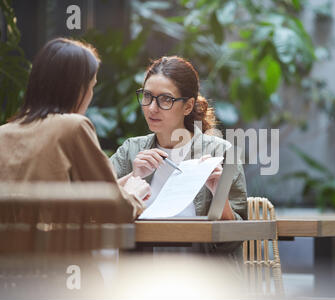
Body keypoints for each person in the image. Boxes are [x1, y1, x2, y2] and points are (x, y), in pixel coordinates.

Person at [110, 56, 248, 258]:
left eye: (165, 99)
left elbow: (234, 241)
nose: (152, 108)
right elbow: (93, 207)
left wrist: (220, 196)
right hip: (140, 276)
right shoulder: (131, 150)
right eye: (147, 96)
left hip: (204, 276)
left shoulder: (221, 153)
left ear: (188, 106)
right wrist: (133, 176)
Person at [0, 38, 150, 219]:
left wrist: (128, 180)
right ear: (78, 89)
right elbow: (114, 210)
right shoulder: (73, 127)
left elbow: (75, 198)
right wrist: (134, 194)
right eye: (92, 86)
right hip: (56, 246)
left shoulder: (4, 133)